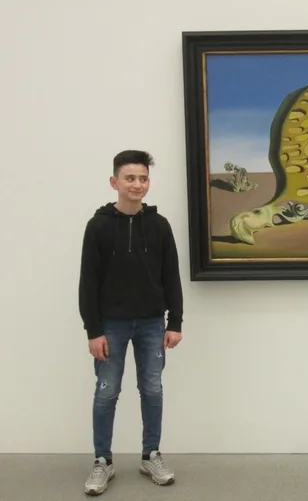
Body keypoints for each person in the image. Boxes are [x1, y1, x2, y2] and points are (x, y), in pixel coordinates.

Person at [78, 150, 184, 496]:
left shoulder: (159, 225)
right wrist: (94, 330)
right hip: (111, 325)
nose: (137, 184)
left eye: (143, 178)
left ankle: (150, 454)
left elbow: (171, 276)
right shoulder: (98, 226)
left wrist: (175, 321)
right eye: (130, 178)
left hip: (152, 323)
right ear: (115, 182)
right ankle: (102, 461)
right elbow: (88, 282)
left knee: (152, 389)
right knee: (107, 392)